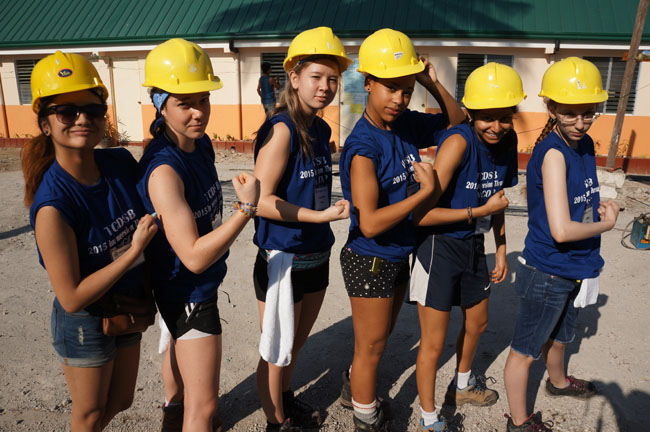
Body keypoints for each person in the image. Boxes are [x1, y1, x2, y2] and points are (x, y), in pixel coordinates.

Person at [22, 51, 158, 431]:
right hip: (85, 318)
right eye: (67, 111)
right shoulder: (54, 206)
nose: (83, 119)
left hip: (126, 302)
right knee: (90, 414)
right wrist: (134, 250)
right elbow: (71, 297)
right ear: (45, 124)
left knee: (122, 399)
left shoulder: (120, 164)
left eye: (93, 110)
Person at [338, 28, 466, 431]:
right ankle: (365, 417)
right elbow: (370, 222)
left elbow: (458, 120)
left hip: (396, 254)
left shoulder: (404, 125)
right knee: (371, 346)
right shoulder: (364, 147)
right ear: (368, 83)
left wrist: (431, 81)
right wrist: (424, 193)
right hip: (370, 258)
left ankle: (354, 389)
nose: (399, 99)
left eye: (407, 91)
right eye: (390, 88)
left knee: (379, 339)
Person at [137, 38, 260, 432]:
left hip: (184, 290)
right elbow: (192, 256)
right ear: (160, 104)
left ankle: (173, 411)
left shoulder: (199, 144)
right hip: (188, 291)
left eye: (203, 100)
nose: (198, 112)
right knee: (204, 408)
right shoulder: (164, 171)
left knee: (179, 348)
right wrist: (246, 209)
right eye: (184, 103)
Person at [503, 57, 620, 431]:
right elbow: (561, 231)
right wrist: (607, 224)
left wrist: (593, 211)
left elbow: (576, 206)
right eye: (569, 113)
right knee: (524, 351)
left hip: (574, 266)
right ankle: (519, 421)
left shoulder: (582, 145)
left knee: (560, 336)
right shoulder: (554, 154)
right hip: (549, 270)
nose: (580, 122)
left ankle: (557, 382)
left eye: (588, 113)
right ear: (551, 108)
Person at [410, 63, 525, 431]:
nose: (497, 126)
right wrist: (479, 211)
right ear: (471, 113)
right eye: (487, 117)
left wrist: (501, 248)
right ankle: (429, 418)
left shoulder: (507, 142)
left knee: (478, 322)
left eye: (504, 117)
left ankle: (461, 387)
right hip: (438, 247)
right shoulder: (459, 142)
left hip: (472, 243)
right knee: (433, 342)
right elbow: (422, 215)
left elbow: (498, 198)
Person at [252, 26, 352, 431]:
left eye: (333, 78)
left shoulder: (321, 129)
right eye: (316, 77)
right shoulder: (282, 130)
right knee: (275, 349)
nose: (326, 87)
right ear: (294, 78)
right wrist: (319, 216)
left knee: (294, 344)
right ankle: (276, 422)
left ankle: (285, 399)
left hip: (316, 255)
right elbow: (260, 200)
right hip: (283, 259)